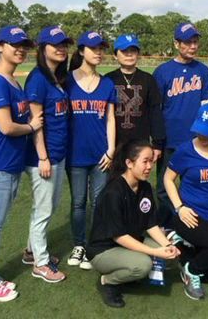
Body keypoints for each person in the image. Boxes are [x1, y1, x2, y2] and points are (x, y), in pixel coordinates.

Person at [0, 25, 41, 302]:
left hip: (8, 166)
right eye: (14, 44)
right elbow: (5, 127)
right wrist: (32, 125)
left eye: (24, 44)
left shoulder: (12, 80)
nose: (20, 49)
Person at [87, 139, 180, 308]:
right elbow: (119, 237)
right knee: (143, 265)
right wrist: (154, 251)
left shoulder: (145, 187)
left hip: (128, 242)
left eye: (151, 161)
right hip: (104, 249)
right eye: (145, 161)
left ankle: (131, 273)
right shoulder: (113, 192)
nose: (149, 166)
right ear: (129, 163)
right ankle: (108, 281)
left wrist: (167, 244)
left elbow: (150, 224)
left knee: (170, 255)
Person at [163, 103, 208, 300]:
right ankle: (190, 271)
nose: (202, 135)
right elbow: (168, 179)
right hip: (190, 216)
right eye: (199, 130)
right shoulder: (185, 150)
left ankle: (181, 245)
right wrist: (179, 208)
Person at [21, 25, 74, 283]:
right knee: (44, 210)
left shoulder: (56, 77)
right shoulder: (38, 79)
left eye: (65, 44)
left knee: (47, 206)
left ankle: (32, 251)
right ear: (43, 48)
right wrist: (43, 156)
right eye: (56, 44)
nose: (62, 48)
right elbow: (35, 121)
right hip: (45, 156)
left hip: (57, 153)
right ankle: (41, 264)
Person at [65, 30, 117, 270]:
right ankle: (79, 243)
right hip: (75, 154)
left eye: (101, 48)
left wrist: (111, 149)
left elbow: (110, 119)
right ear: (81, 50)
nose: (99, 52)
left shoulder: (107, 83)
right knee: (78, 202)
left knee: (98, 202)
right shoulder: (67, 81)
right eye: (93, 48)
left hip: (100, 156)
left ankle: (94, 245)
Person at [153, 22, 208, 229]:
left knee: (192, 184)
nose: (193, 46)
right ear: (176, 44)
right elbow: (156, 109)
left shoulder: (203, 71)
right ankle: (166, 225)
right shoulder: (163, 72)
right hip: (169, 139)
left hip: (195, 140)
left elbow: (207, 106)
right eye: (188, 42)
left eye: (195, 42)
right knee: (163, 186)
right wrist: (157, 142)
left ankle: (190, 225)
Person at [106, 34, 165, 161]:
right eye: (124, 51)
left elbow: (155, 112)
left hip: (140, 144)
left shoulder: (148, 80)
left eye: (133, 51)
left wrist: (157, 143)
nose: (129, 55)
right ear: (115, 55)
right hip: (115, 143)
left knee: (138, 179)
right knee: (114, 180)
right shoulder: (108, 79)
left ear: (138, 54)